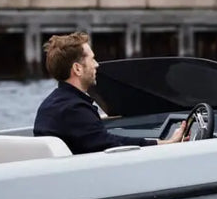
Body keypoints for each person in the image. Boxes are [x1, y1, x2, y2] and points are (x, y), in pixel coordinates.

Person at [33, 31, 187, 154]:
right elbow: (110, 144)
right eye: (92, 59)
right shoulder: (73, 110)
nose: (97, 65)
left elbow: (86, 132)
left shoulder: (53, 104)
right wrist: (164, 144)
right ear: (77, 69)